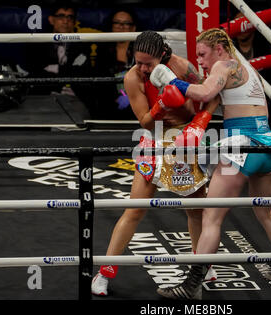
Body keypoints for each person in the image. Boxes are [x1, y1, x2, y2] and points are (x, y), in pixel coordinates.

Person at [150, 28, 271, 300]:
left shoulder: (224, 64)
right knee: (265, 213)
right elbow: (217, 94)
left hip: (243, 147)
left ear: (219, 48)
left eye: (202, 54)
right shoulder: (247, 70)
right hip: (267, 146)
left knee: (211, 217)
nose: (200, 61)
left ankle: (192, 285)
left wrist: (173, 81)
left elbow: (203, 92)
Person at [91, 30, 218, 296]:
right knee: (135, 209)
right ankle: (105, 271)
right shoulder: (132, 77)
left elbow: (211, 97)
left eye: (149, 62)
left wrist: (199, 123)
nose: (143, 67)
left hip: (185, 140)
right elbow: (145, 121)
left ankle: (201, 266)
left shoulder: (183, 67)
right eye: (139, 61)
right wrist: (162, 102)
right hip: (156, 138)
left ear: (162, 55)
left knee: (195, 211)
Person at [23, 3, 91, 102]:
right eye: (61, 16)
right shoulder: (37, 44)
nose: (65, 21)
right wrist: (62, 79)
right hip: (43, 96)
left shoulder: (82, 46)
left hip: (75, 97)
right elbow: (36, 73)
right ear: (51, 20)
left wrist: (55, 68)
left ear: (74, 22)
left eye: (70, 17)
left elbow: (80, 74)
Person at [93, 8, 138, 119]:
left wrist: (130, 96)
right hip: (109, 103)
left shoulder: (141, 50)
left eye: (126, 23)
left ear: (133, 28)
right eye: (117, 22)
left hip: (138, 100)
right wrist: (119, 96)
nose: (121, 26)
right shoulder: (102, 49)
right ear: (112, 26)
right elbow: (101, 80)